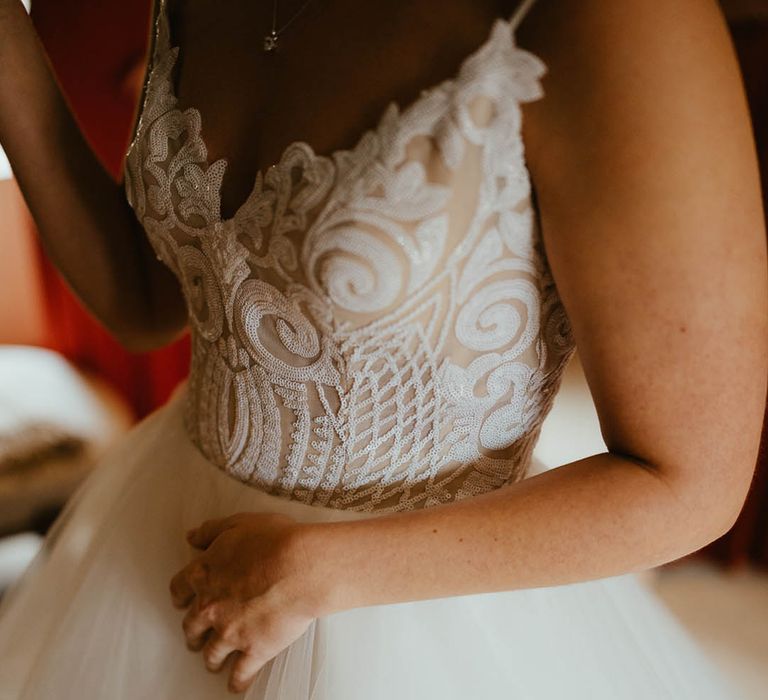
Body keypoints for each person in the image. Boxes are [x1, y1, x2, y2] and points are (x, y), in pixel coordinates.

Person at [0, 0, 765, 697]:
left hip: (419, 620)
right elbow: (147, 299)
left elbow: (690, 483)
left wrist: (322, 572)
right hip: (168, 544)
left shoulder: (612, 20)